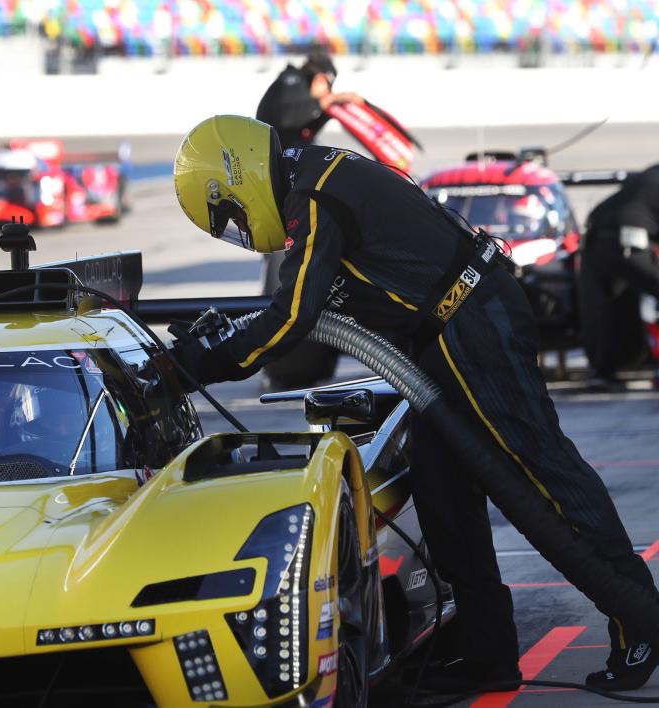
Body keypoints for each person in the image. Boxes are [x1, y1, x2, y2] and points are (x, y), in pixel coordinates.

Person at [170, 115, 659, 691]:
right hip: (448, 334)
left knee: (541, 474)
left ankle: (640, 620)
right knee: (441, 488)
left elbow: (293, 314)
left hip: (473, 325)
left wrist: (201, 366)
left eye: (229, 216)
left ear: (238, 176)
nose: (240, 230)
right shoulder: (314, 177)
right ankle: (487, 651)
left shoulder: (314, 196)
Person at [257, 50, 363, 388]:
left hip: (286, 188)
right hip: (280, 194)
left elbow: (302, 128)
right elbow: (290, 123)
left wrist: (329, 109)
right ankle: (284, 353)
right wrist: (330, 100)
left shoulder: (296, 90)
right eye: (327, 85)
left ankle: (300, 348)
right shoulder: (290, 83)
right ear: (320, 78)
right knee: (286, 273)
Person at [579, 165, 659, 385]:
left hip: (596, 237)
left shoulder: (652, 173)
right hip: (628, 239)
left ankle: (604, 370)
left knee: (604, 307)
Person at [256, 50, 363, 149]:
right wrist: (326, 100)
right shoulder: (293, 80)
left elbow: (307, 132)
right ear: (320, 79)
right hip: (269, 154)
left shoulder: (301, 89)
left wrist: (327, 112)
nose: (327, 93)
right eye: (328, 86)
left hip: (279, 151)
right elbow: (287, 119)